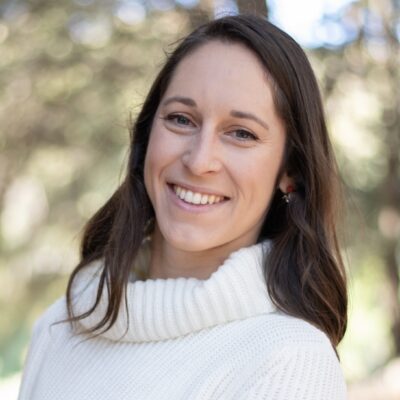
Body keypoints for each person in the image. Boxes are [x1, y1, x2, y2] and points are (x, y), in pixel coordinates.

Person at [18, 14, 348, 400]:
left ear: (289, 170)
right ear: (147, 137)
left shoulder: (290, 362)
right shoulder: (61, 325)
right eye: (180, 119)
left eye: (241, 133)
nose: (198, 159)